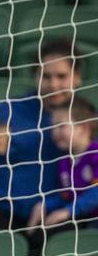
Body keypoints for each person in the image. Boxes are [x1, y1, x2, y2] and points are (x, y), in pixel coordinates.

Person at [0, 37, 76, 256]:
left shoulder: (85, 120)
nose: (54, 84)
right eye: (46, 76)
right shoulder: (10, 110)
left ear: (76, 78)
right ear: (35, 77)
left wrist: (57, 205)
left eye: (62, 76)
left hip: (54, 216)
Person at [46, 96, 98, 228]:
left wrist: (68, 211)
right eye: (53, 127)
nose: (55, 132)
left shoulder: (95, 154)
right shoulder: (64, 161)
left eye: (61, 126)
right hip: (83, 219)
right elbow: (66, 195)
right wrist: (45, 205)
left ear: (84, 128)